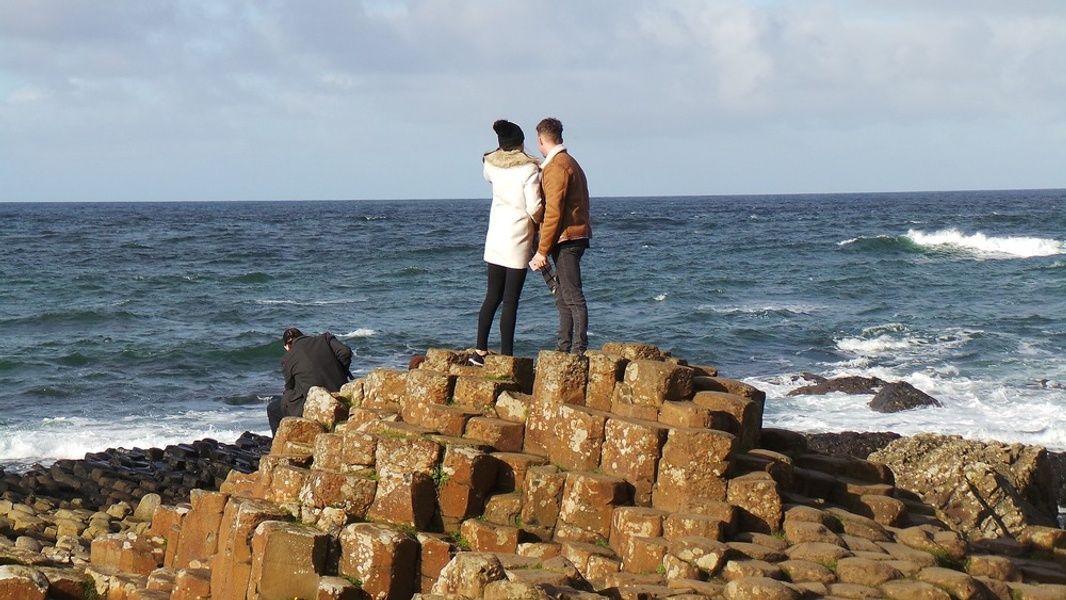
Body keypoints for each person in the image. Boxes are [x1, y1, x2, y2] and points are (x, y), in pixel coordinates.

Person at [471, 119, 545, 366]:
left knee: (492, 296)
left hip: (495, 237)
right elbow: (534, 206)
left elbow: (489, 168)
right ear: (521, 144)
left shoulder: (491, 167)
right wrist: (541, 222)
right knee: (511, 299)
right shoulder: (529, 170)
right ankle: (507, 354)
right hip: (517, 238)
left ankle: (479, 351)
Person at [529, 118, 592, 355]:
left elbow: (554, 210)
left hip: (567, 238)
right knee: (564, 296)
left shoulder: (556, 166)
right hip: (575, 235)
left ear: (540, 140)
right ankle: (565, 347)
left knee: (572, 296)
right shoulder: (570, 162)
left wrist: (542, 250)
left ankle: (577, 349)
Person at [268, 327, 353, 435]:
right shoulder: (325, 338)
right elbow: (345, 352)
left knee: (272, 409)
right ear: (302, 335)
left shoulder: (287, 358)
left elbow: (289, 386)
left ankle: (277, 445)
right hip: (339, 393)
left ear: (287, 346)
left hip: (313, 403)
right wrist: (341, 371)